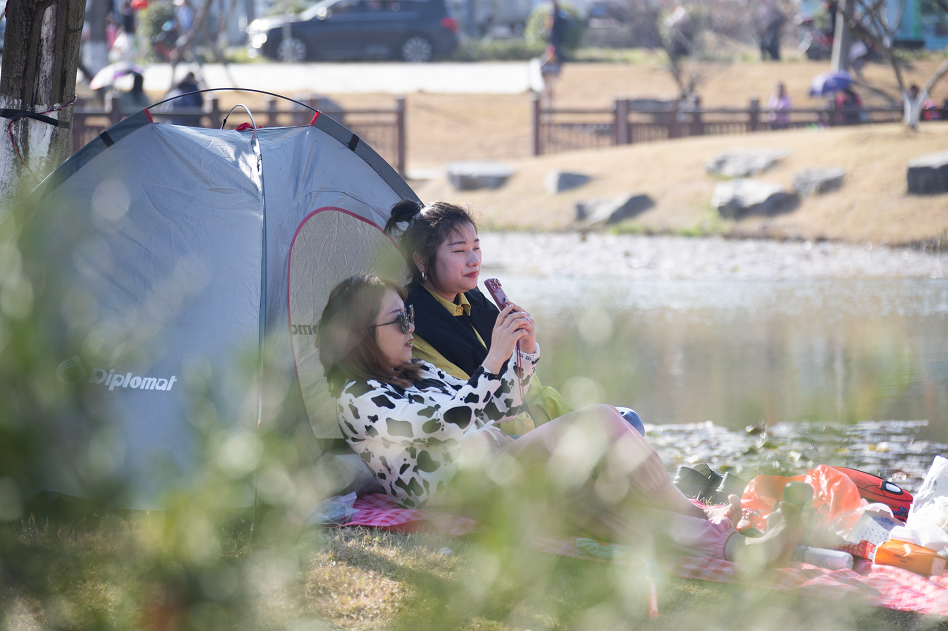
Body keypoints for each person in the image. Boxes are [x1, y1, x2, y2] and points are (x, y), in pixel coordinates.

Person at [316, 273, 806, 566]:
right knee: (601, 421)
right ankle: (699, 515)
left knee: (601, 507)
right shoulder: (360, 397)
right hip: (466, 488)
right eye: (399, 321)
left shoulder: (415, 370)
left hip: (500, 465)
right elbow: (452, 420)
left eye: (411, 317)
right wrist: (493, 358)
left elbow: (501, 404)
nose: (411, 328)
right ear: (359, 333)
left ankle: (742, 552)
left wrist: (522, 355)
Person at [383, 200, 645, 437]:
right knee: (619, 428)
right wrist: (499, 352)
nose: (474, 260)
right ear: (421, 261)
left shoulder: (475, 300)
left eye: (476, 247)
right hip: (495, 435)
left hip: (530, 420)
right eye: (459, 251)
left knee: (627, 419)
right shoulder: (414, 323)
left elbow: (534, 392)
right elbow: (469, 404)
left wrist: (527, 349)